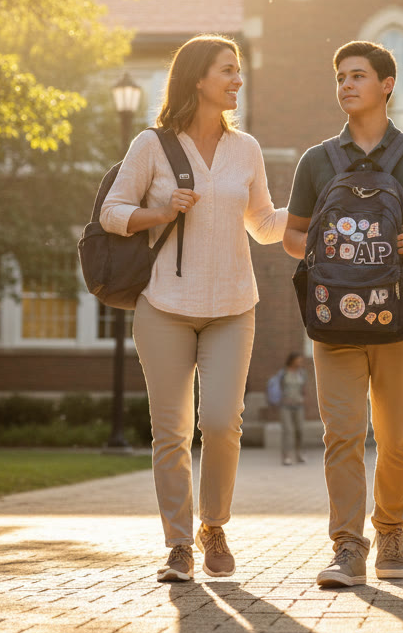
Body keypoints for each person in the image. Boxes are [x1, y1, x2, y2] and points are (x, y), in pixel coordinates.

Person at [99, 34, 287, 582]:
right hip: (165, 304)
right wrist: (158, 212)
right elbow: (112, 211)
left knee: (224, 423)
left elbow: (264, 224)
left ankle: (214, 525)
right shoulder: (152, 145)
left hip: (233, 304)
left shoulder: (246, 149)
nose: (237, 80)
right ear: (198, 78)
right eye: (228, 70)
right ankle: (179, 544)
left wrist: (313, 217)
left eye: (239, 71)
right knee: (172, 430)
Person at [283, 40, 403, 588]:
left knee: (395, 435)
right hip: (332, 318)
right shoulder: (317, 161)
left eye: (358, 75)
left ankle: (390, 529)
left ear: (387, 85)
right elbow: (293, 235)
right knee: (341, 434)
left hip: (401, 320)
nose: (346, 85)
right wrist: (321, 248)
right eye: (340, 76)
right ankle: (347, 546)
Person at [278, 352, 308, 466]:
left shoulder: (302, 373)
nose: (300, 362)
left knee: (300, 430)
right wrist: (282, 399)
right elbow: (278, 387)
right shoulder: (283, 372)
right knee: (288, 431)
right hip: (285, 406)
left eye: (301, 360)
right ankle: (286, 456)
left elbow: (304, 388)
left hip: (299, 406)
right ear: (292, 360)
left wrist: (304, 399)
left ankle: (299, 454)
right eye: (298, 360)